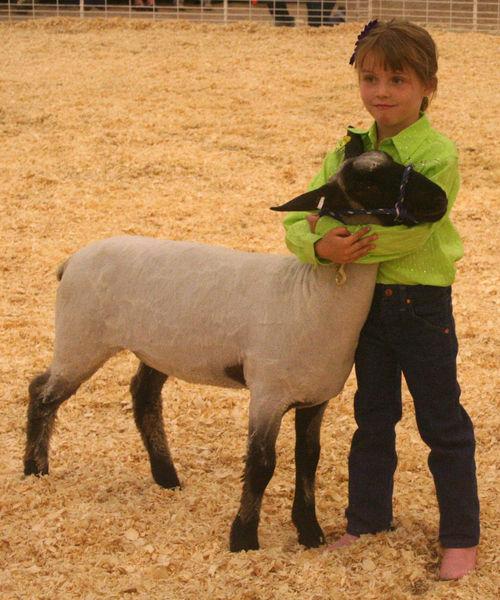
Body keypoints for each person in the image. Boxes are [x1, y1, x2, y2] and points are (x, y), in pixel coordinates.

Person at [282, 19, 479, 580]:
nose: (382, 92)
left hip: (421, 305)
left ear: (427, 87)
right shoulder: (347, 149)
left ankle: (460, 536)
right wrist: (320, 244)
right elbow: (300, 217)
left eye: (397, 79)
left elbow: (413, 228)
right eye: (371, 78)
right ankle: (367, 521)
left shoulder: (436, 154)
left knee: (442, 421)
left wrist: (344, 239)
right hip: (360, 307)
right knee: (372, 417)